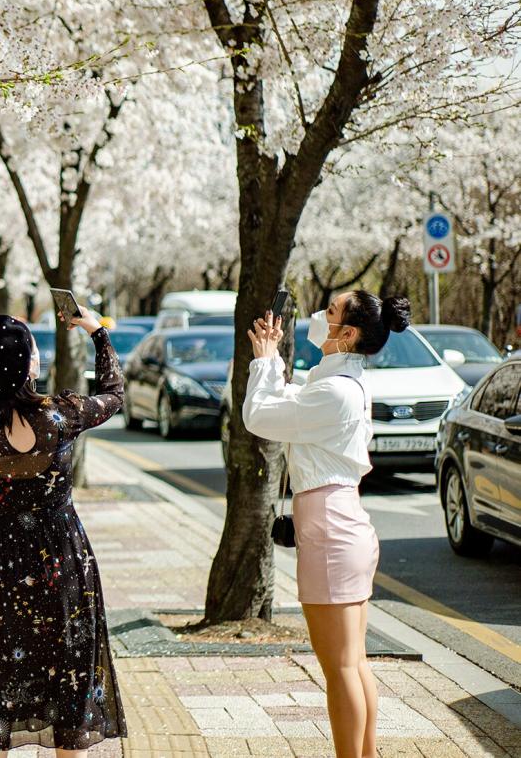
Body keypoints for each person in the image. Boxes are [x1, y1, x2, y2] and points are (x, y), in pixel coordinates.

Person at [0, 308, 127, 757]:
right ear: (25, 363)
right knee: (69, 671)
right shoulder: (60, 414)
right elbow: (114, 392)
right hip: (62, 561)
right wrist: (98, 332)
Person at [243, 290, 411, 758]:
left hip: (332, 533)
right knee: (352, 662)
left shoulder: (334, 391)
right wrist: (272, 360)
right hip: (341, 524)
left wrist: (263, 361)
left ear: (348, 333)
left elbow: (260, 416)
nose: (320, 316)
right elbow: (291, 401)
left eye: (331, 312)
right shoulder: (341, 382)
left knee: (339, 667)